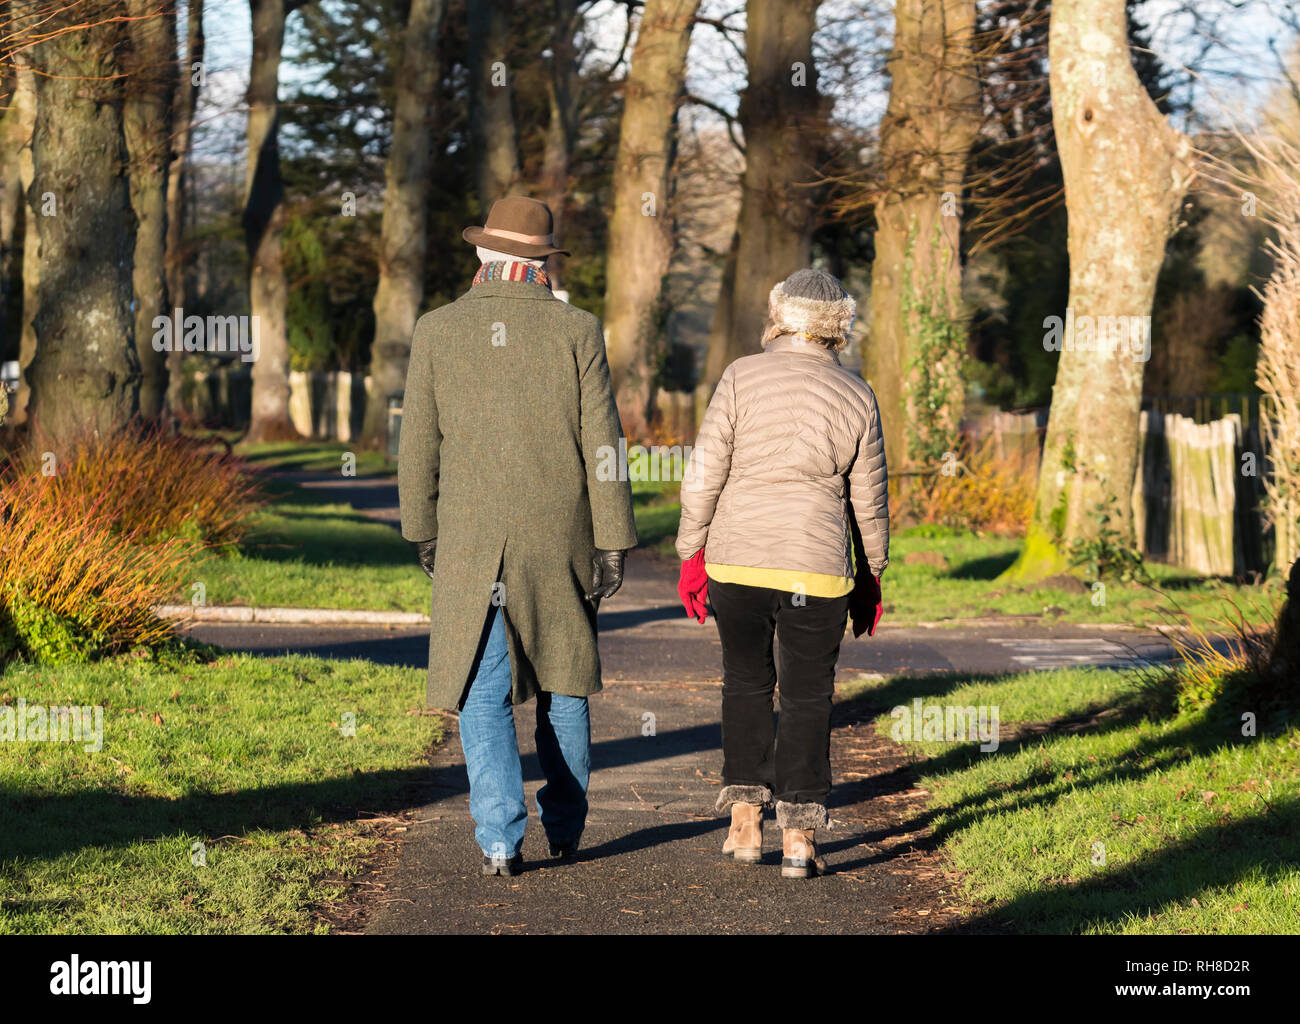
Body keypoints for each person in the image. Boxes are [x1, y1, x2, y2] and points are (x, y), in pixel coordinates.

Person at [399, 195, 637, 876]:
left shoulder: (438, 329)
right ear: (541, 261)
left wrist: (421, 526)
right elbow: (604, 443)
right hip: (560, 529)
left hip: (470, 531)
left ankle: (500, 838)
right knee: (564, 678)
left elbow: (418, 443)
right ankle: (565, 826)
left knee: (481, 684)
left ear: (482, 254)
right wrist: (613, 537)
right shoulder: (578, 329)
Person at [675, 268, 889, 878]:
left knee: (744, 681)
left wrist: (692, 552)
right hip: (817, 570)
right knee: (807, 696)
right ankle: (800, 837)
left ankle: (744, 824)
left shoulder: (741, 377)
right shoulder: (857, 395)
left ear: (779, 316)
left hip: (737, 560)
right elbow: (868, 500)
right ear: (837, 326)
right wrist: (872, 572)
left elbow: (704, 474)